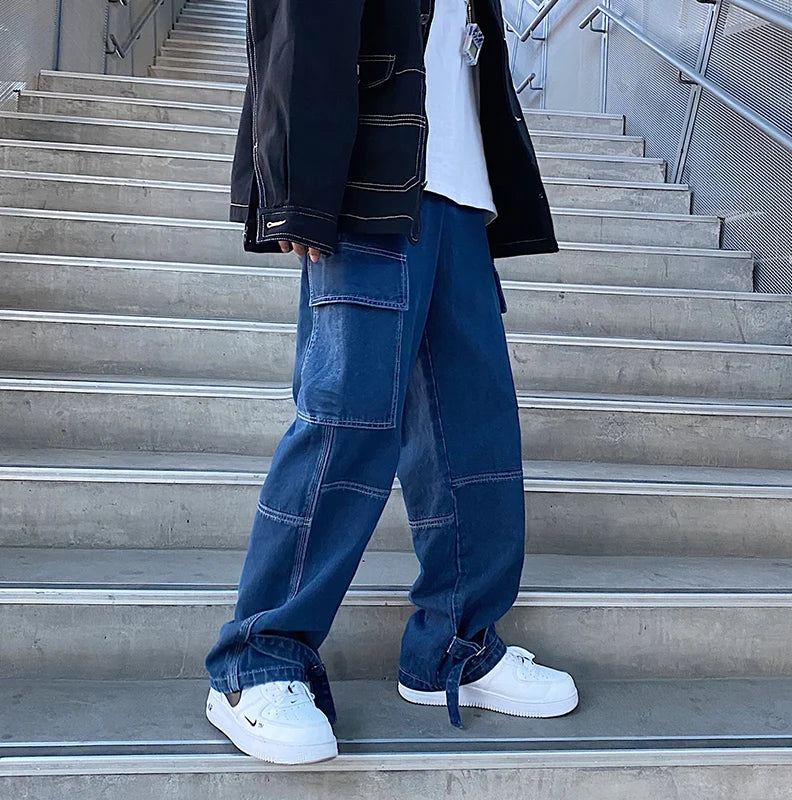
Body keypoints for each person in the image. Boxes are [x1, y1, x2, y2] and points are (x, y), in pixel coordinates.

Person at [204, 0, 579, 765]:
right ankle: (257, 661)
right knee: (347, 419)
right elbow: (298, 19)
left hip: (461, 195)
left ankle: (454, 647)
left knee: (476, 434)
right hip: (368, 182)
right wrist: (298, 184)